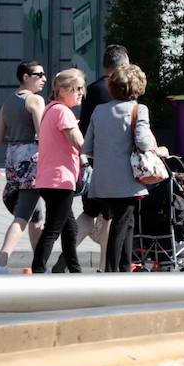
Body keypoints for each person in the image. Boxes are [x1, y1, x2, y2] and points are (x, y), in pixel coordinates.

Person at [83, 64, 165, 273]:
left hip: (102, 180)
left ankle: (125, 265)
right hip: (127, 180)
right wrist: (158, 149)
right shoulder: (139, 109)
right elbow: (144, 143)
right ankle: (112, 270)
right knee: (122, 221)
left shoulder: (99, 110)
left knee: (127, 222)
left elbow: (87, 147)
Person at [0, 61, 47, 273]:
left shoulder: (8, 102)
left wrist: (16, 137)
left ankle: (40, 265)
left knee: (37, 216)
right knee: (23, 215)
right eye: (39, 74)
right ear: (25, 77)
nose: (44, 78)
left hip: (13, 159)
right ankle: (0, 263)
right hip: (32, 161)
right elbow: (43, 135)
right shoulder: (35, 100)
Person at [30, 69, 87, 275]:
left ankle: (73, 268)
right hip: (60, 180)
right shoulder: (63, 112)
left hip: (50, 179)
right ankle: (38, 268)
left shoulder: (51, 109)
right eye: (76, 89)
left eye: (82, 88)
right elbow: (78, 141)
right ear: (63, 90)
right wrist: (98, 152)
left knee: (69, 228)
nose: (81, 93)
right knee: (53, 228)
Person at [75, 45, 128, 256]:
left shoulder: (93, 89)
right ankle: (105, 267)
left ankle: (62, 260)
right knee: (109, 217)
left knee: (89, 213)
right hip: (112, 165)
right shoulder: (117, 91)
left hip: (93, 162)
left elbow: (85, 126)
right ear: (122, 65)